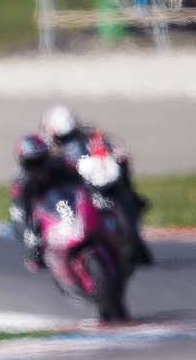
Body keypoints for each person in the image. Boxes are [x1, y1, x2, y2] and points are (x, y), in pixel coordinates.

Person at [39, 105, 153, 266]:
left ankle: (132, 196)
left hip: (99, 175)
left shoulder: (90, 135)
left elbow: (112, 145)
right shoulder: (50, 149)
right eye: (64, 137)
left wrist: (117, 153)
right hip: (77, 184)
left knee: (123, 168)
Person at [8, 133, 88, 271]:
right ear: (23, 162)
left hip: (66, 201)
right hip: (44, 213)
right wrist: (30, 236)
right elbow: (20, 212)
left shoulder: (60, 164)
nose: (38, 166)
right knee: (30, 236)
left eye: (40, 160)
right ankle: (41, 255)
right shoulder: (21, 182)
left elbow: (83, 178)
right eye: (32, 162)